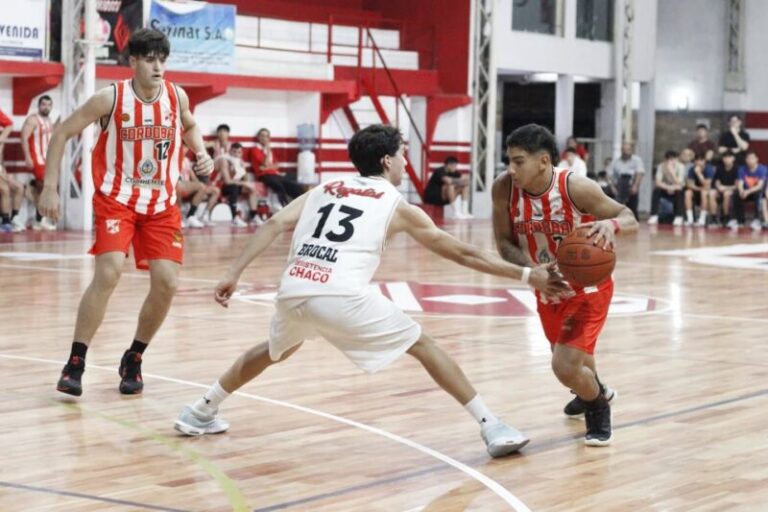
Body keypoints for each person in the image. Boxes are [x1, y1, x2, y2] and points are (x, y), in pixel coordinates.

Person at [173, 124, 569, 458]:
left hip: (293, 290)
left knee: (278, 348)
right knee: (424, 345)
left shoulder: (326, 188)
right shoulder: (394, 204)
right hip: (340, 295)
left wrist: (233, 272)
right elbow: (462, 252)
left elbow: (273, 224)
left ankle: (201, 409)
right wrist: (526, 276)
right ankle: (492, 426)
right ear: (386, 161)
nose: (405, 162)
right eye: (401, 155)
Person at [39, 29, 213, 396]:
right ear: (132, 61)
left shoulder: (176, 95)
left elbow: (190, 123)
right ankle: (76, 361)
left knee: (167, 283)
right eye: (149, 59)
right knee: (109, 272)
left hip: (162, 204)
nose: (158, 66)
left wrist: (201, 152)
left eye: (162, 59)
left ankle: (134, 356)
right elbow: (61, 134)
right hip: (117, 197)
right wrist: (50, 187)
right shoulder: (110, 98)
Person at [492, 124, 638, 446]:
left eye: (518, 161)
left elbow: (629, 216)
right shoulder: (504, 189)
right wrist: (534, 271)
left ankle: (598, 407)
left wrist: (610, 224)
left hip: (589, 288)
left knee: (563, 366)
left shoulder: (576, 188)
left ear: (543, 162)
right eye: (509, 161)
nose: (511, 169)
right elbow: (503, 243)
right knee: (575, 359)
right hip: (547, 287)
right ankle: (594, 387)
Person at [21, 95, 56, 230]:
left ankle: (39, 218)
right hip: (37, 159)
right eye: (43, 104)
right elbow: (23, 138)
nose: (46, 107)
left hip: (46, 159)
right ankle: (39, 219)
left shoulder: (49, 120)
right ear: (38, 106)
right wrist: (27, 157)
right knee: (44, 188)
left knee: (42, 189)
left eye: (48, 104)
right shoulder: (33, 120)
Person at [251, 128, 305, 207]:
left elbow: (277, 165)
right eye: (262, 135)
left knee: (295, 186)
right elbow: (265, 163)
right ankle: (284, 207)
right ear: (258, 137)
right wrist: (268, 149)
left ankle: (301, 206)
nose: (264, 138)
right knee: (279, 187)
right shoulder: (255, 150)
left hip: (275, 174)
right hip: (263, 176)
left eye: (266, 136)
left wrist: (266, 167)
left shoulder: (270, 152)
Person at [647, 151, 685, 226]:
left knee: (679, 192)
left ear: (676, 159)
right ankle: (654, 215)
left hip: (677, 188)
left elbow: (680, 183)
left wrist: (672, 173)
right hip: (666, 187)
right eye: (669, 159)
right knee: (656, 190)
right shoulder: (661, 166)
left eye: (673, 159)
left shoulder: (681, 166)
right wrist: (668, 187)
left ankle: (679, 216)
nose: (671, 162)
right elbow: (658, 182)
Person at [609, 142, 645, 219]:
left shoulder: (637, 160)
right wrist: (612, 187)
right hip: (618, 185)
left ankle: (633, 217)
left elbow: (640, 173)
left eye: (628, 150)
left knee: (632, 208)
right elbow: (609, 175)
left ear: (631, 150)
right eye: (624, 150)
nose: (625, 152)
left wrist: (635, 186)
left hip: (631, 184)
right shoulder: (615, 161)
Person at [734, 150, 767, 231]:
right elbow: (740, 183)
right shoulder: (742, 169)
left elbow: (760, 186)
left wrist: (748, 191)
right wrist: (741, 191)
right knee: (736, 194)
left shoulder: (762, 169)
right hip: (746, 192)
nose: (750, 160)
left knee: (759, 194)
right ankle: (739, 220)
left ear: (756, 159)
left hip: (756, 191)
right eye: (748, 158)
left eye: (752, 158)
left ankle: (757, 220)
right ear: (746, 160)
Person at [709, 150, 738, 227]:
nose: (726, 159)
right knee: (711, 193)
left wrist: (725, 188)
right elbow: (717, 181)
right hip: (721, 189)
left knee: (727, 194)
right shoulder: (720, 168)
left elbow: (737, 186)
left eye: (729, 157)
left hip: (733, 190)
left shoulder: (737, 169)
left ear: (733, 158)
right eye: (725, 157)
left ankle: (726, 217)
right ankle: (713, 218)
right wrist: (719, 187)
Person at [684, 153, 714, 226]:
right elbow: (689, 184)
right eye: (696, 160)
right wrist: (699, 188)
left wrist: (699, 174)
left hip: (708, 191)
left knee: (704, 193)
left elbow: (707, 185)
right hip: (697, 190)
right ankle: (690, 219)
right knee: (687, 193)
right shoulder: (692, 169)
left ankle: (702, 219)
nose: (698, 162)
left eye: (701, 160)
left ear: (704, 161)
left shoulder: (709, 169)